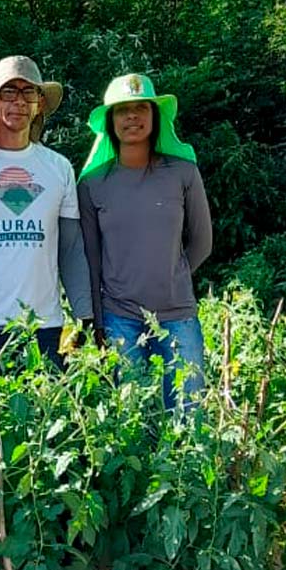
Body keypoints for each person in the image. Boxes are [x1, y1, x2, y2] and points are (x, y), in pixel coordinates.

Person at [77, 73, 212, 412]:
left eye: (141, 108)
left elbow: (202, 241)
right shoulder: (93, 184)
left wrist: (173, 274)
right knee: (132, 422)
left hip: (178, 315)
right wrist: (95, 318)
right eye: (122, 110)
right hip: (120, 318)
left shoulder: (183, 173)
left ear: (155, 117)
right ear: (110, 121)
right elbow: (91, 259)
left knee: (189, 417)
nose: (132, 117)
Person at [0, 55, 92, 366]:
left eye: (29, 93)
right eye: (8, 92)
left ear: (39, 103)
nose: (19, 102)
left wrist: (85, 315)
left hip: (44, 327)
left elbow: (71, 249)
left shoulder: (58, 168)